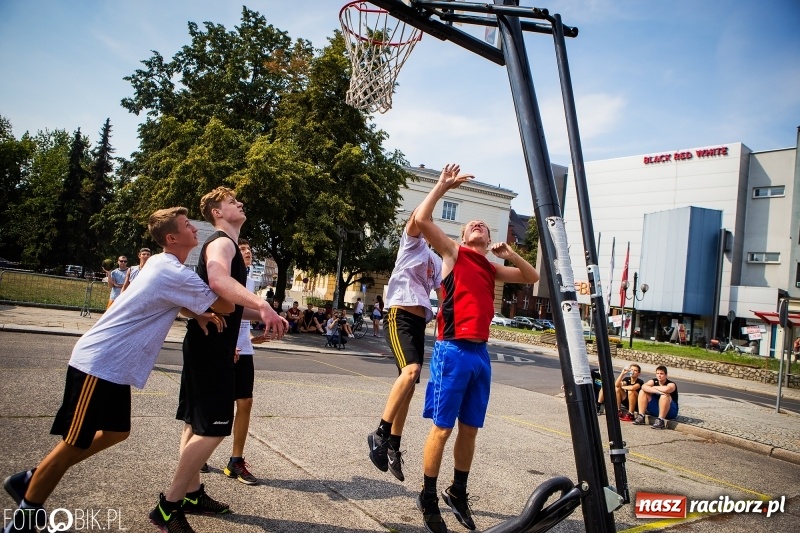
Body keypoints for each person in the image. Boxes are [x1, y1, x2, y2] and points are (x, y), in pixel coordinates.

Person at [1, 207, 232, 533]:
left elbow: (160, 297)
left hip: (114, 367)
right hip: (100, 363)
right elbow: (226, 305)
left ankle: (30, 477)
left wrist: (195, 313)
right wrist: (220, 277)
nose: (194, 229)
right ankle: (23, 519)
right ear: (172, 237)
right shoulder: (174, 272)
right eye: (187, 225)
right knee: (74, 443)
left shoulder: (160, 264)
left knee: (116, 432)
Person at [153, 187, 288, 533]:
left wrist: (259, 319)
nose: (239, 203)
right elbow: (217, 279)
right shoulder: (222, 243)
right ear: (216, 211)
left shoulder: (226, 245)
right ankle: (168, 507)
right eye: (231, 201)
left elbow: (225, 305)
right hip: (210, 348)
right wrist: (264, 305)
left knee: (196, 425)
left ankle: (193, 494)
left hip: (208, 343)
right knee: (213, 429)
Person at [413, 164, 539, 533]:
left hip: (480, 354)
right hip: (452, 350)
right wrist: (440, 186)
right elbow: (421, 219)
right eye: (473, 224)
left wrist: (511, 254)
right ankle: (428, 494)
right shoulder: (454, 253)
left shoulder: (491, 266)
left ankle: (459, 491)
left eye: (485, 224)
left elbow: (531, 278)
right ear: (465, 235)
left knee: (470, 429)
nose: (479, 224)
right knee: (443, 428)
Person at [368, 207, 442, 482]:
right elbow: (417, 219)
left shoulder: (435, 258)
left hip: (419, 322)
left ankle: (394, 447)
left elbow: (442, 293)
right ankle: (380, 434)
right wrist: (441, 185)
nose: (426, 224)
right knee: (410, 371)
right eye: (423, 220)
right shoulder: (412, 243)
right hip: (399, 314)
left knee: (409, 384)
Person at [220, 238, 266, 485]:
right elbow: (220, 312)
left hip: (244, 350)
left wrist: (251, 338)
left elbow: (242, 320)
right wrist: (228, 343)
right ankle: (198, 452)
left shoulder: (250, 283)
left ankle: (235, 460)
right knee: (215, 403)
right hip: (225, 347)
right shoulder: (226, 277)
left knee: (245, 401)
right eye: (243, 249)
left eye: (250, 249)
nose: (247, 252)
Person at [633, 365, 679, 429]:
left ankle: (660, 420)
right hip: (656, 409)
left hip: (670, 412)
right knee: (642, 391)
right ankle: (641, 416)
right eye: (657, 373)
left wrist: (653, 387)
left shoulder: (671, 384)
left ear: (666, 375)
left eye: (661, 374)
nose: (659, 375)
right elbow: (643, 386)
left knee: (665, 395)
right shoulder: (653, 381)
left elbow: (667, 389)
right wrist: (656, 391)